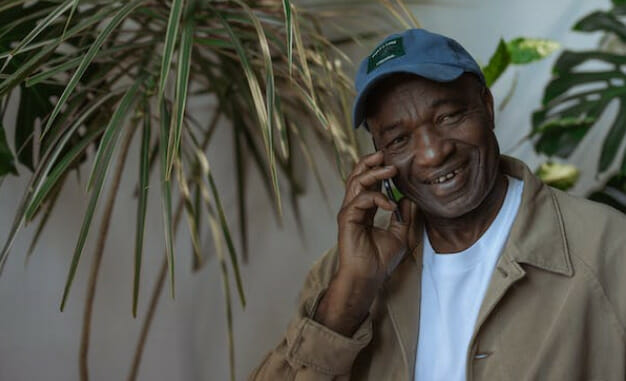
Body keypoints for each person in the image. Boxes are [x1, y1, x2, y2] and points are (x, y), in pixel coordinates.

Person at [250, 29, 626, 380]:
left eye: (448, 117)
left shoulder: (606, 248)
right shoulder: (344, 272)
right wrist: (352, 294)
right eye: (398, 139)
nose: (431, 153)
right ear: (378, 158)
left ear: (487, 106)